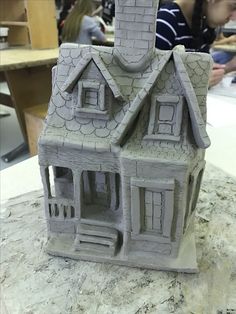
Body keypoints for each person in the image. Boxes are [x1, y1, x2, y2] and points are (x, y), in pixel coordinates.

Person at [155, 0, 236, 87]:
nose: (234, 17)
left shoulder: (202, 23)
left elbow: (199, 69)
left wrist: (227, 68)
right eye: (233, 7)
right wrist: (196, 82)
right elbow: (149, 80)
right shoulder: (165, 20)